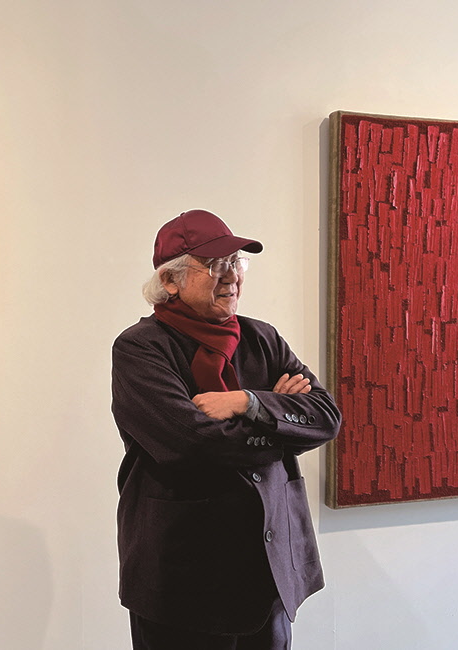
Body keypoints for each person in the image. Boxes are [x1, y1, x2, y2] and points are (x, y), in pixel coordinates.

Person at [111, 209, 341, 649]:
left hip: (269, 567)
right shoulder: (140, 349)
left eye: (236, 263)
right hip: (182, 575)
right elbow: (191, 443)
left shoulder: (262, 339)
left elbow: (326, 416)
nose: (232, 276)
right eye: (216, 265)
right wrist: (282, 425)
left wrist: (249, 402)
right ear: (171, 280)